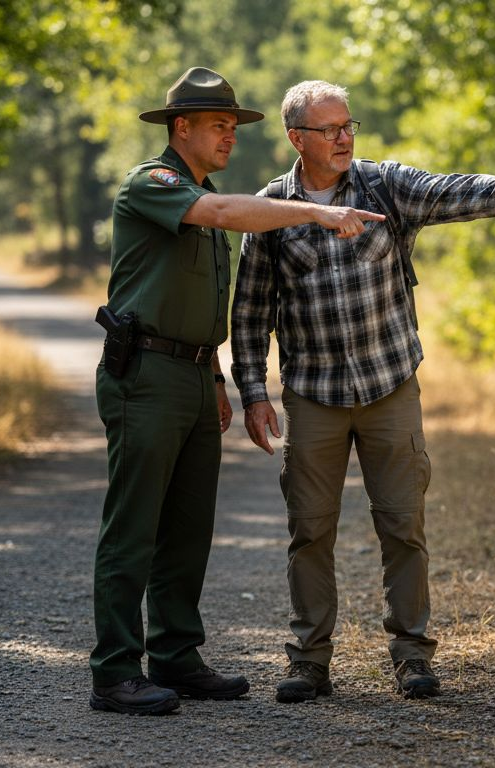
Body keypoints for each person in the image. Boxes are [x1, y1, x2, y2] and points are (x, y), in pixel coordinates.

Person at [230, 79, 495, 703]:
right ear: (297, 139)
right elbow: (250, 310)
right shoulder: (272, 210)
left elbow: (455, 191)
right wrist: (252, 391)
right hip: (313, 395)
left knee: (403, 525)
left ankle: (412, 656)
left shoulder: (383, 187)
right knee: (310, 530)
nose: (345, 138)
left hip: (389, 384)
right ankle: (309, 661)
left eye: (349, 125)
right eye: (330, 130)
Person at [90, 67, 384, 716]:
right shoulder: (156, 184)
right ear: (180, 128)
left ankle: (174, 656)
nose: (229, 137)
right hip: (144, 375)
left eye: (233, 126)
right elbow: (224, 215)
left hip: (194, 374)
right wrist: (314, 209)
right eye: (218, 126)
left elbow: (195, 299)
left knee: (189, 529)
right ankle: (114, 672)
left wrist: (217, 378)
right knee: (134, 527)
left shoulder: (205, 190)